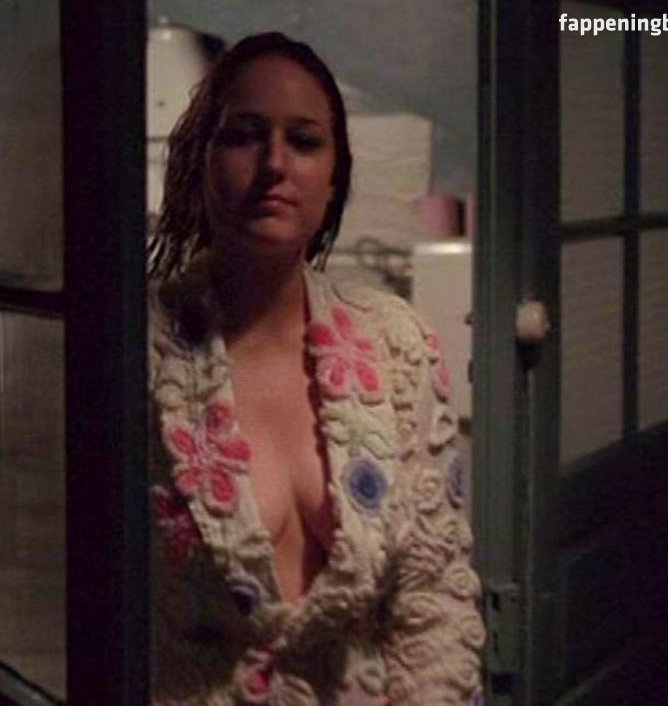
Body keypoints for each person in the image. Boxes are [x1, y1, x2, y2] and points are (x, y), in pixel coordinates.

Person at [147, 32, 484, 706]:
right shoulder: (139, 350)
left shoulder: (396, 345)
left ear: (334, 181)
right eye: (243, 135)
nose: (274, 163)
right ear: (198, 163)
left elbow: (434, 595)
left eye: (303, 141)